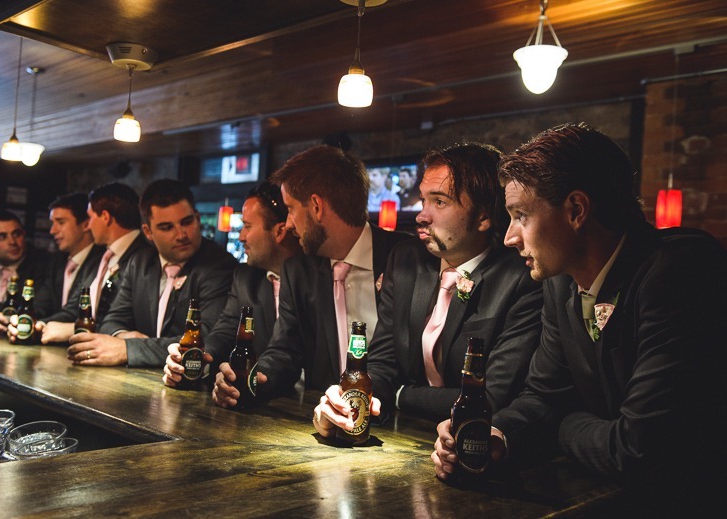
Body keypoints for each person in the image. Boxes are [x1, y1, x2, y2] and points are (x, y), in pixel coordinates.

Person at [432, 123, 726, 509]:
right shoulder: (560, 283)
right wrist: (496, 436)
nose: (509, 237)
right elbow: (543, 394)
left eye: (520, 215)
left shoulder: (680, 271)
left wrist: (562, 422)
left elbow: (637, 449)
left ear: (575, 210)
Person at [313, 143, 543, 438]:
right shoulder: (406, 259)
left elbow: (492, 397)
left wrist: (401, 396)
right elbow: (384, 362)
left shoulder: (521, 278)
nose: (422, 216)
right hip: (401, 436)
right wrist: (352, 401)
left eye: (440, 202)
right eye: (423, 201)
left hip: (476, 442)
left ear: (483, 217)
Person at [213, 144, 411, 408]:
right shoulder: (298, 271)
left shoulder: (406, 258)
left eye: (291, 209)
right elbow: (285, 351)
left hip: (402, 424)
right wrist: (252, 379)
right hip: (324, 423)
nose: (290, 223)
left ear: (316, 207)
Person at [67, 179, 237, 367]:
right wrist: (124, 335)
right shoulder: (140, 262)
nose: (181, 234)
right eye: (167, 227)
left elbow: (206, 338)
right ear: (148, 232)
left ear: (197, 217)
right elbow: (112, 320)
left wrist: (128, 349)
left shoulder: (220, 265)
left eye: (187, 222)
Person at [162, 181, 302, 387]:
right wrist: (195, 357)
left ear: (280, 231)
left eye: (246, 226)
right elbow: (225, 331)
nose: (241, 237)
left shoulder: (316, 279)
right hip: (265, 394)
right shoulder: (245, 277)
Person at [10, 182, 151, 343]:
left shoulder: (145, 257)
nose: (88, 225)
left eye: (90, 217)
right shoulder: (101, 257)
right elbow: (73, 309)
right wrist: (36, 325)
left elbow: (125, 322)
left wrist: (76, 329)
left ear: (105, 217)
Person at [44, 193, 105, 316]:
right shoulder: (56, 261)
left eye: (60, 222)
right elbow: (40, 304)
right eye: (53, 223)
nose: (52, 231)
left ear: (86, 224)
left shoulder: (102, 261)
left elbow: (74, 313)